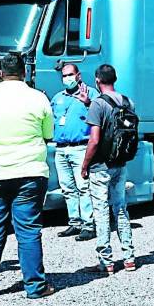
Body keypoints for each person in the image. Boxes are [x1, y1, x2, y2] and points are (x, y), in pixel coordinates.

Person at [0, 52, 56, 299]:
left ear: (0, 74)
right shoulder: (38, 98)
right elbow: (48, 133)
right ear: (24, 73)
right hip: (29, 172)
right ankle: (35, 286)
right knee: (28, 230)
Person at [80, 64, 136, 275]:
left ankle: (106, 261)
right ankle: (129, 258)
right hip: (120, 163)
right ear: (115, 78)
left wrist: (85, 165)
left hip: (100, 166)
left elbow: (94, 140)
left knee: (101, 212)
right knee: (120, 208)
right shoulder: (128, 101)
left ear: (97, 80)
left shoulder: (98, 104)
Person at [50, 63, 97, 241]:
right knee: (67, 188)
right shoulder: (58, 98)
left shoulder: (91, 93)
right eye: (64, 76)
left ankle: (88, 225)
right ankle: (74, 222)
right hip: (61, 148)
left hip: (81, 147)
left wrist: (88, 103)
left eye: (70, 75)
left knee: (83, 187)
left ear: (78, 75)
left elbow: (101, 115)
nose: (67, 78)